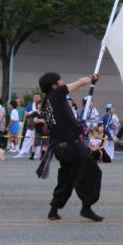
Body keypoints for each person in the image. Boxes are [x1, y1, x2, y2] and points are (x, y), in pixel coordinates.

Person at [39, 71, 103, 222]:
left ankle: (54, 209)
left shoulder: (46, 104)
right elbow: (80, 82)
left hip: (59, 146)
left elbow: (54, 125)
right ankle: (86, 207)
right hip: (69, 144)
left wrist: (76, 126)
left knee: (68, 176)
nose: (62, 82)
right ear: (54, 85)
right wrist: (91, 79)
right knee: (93, 172)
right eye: (60, 80)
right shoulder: (57, 94)